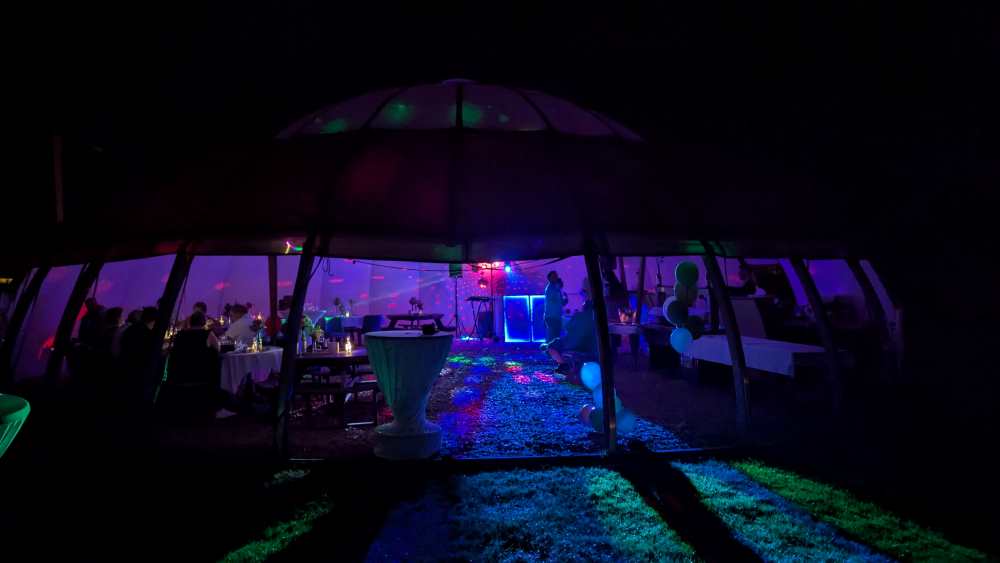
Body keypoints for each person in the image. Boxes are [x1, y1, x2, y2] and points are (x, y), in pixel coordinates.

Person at [120, 307, 159, 402]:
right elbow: (148, 355)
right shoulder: (148, 334)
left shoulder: (131, 329)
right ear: (154, 320)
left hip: (123, 369)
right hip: (137, 375)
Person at [543, 271, 568, 343]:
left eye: (556, 276)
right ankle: (549, 349)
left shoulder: (557, 289)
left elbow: (561, 303)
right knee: (552, 337)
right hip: (551, 316)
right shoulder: (550, 288)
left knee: (555, 337)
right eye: (554, 276)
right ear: (549, 278)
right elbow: (553, 300)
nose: (556, 278)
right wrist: (558, 286)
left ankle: (552, 348)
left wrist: (565, 299)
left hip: (556, 316)